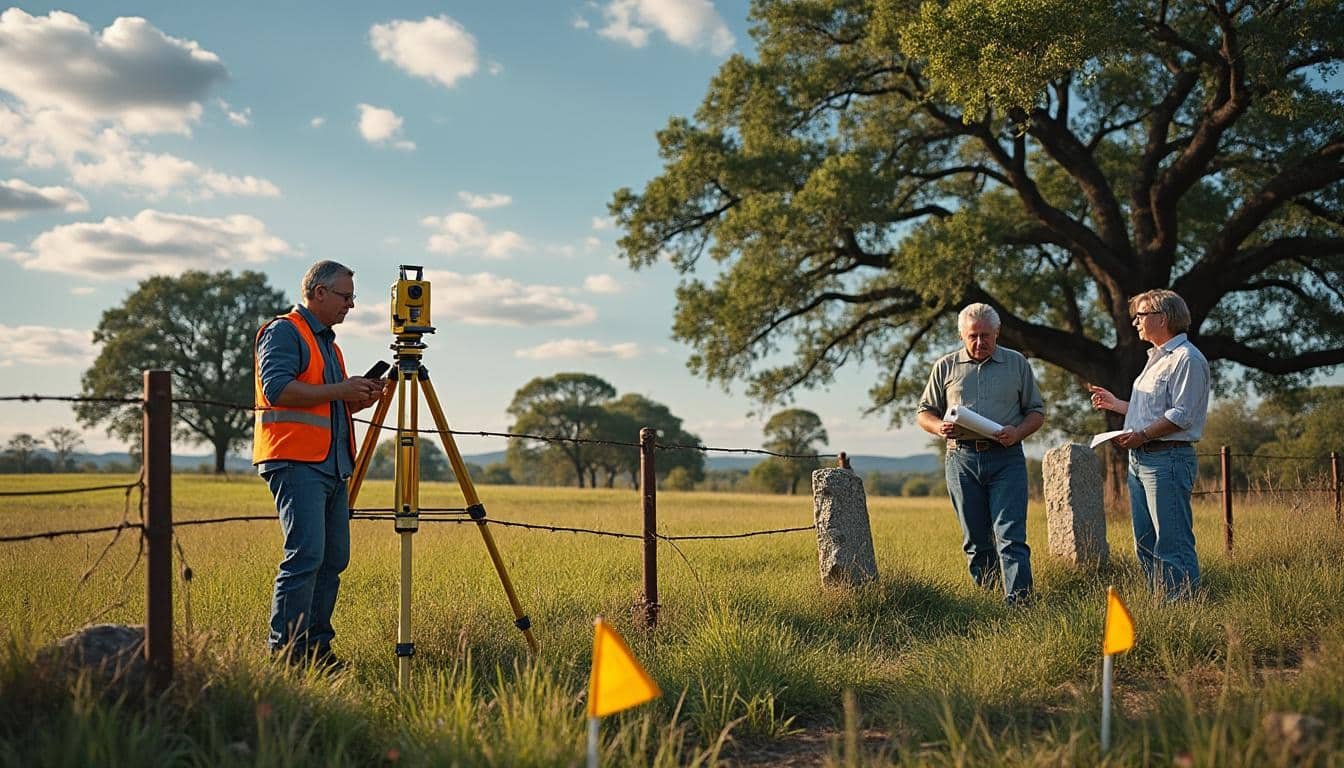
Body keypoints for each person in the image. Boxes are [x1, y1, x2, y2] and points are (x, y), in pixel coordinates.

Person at [252, 260, 384, 668]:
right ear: (320, 292)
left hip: (333, 465)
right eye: (346, 297)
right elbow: (277, 390)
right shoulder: (284, 331)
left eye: (352, 298)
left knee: (332, 560)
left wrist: (356, 397)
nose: (351, 305)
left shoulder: (330, 344)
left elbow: (325, 401)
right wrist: (340, 390)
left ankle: (317, 651)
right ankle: (287, 655)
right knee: (305, 556)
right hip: (295, 461)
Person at [917, 303, 1045, 605]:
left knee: (1010, 537)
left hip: (1007, 458)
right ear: (962, 335)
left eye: (986, 335)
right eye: (973, 336)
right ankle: (988, 600)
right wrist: (939, 428)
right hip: (961, 459)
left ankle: (1020, 604)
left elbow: (1036, 412)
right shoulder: (945, 366)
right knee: (976, 540)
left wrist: (1018, 432)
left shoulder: (1017, 364)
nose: (979, 342)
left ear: (997, 333)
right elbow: (924, 412)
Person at [1089, 289, 1210, 600]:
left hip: (1168, 460)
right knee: (1144, 541)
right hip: (1141, 461)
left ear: (1163, 318)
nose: (1135, 322)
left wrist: (1142, 435)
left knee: (1172, 541)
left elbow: (1181, 416)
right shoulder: (1156, 358)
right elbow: (1150, 412)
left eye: (1141, 316)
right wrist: (1116, 404)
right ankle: (1160, 602)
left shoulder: (1187, 359)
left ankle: (1182, 607)